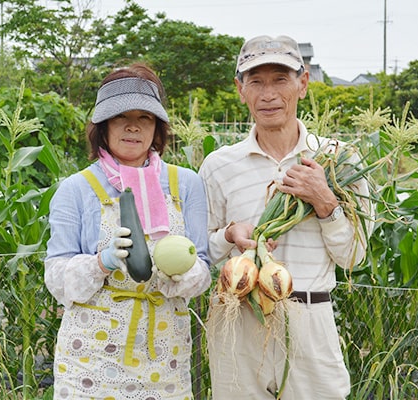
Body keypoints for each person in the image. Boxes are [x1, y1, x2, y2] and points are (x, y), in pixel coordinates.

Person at [199, 35, 373, 399]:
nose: (268, 94)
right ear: (240, 90)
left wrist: (324, 200)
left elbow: (354, 257)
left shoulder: (339, 160)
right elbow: (201, 253)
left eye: (280, 79)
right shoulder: (219, 166)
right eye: (256, 82)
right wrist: (230, 235)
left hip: (309, 318)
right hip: (238, 319)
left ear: (303, 83)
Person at [44, 63, 211, 400]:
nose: (133, 126)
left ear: (158, 128)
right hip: (90, 359)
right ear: (102, 126)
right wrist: (100, 263)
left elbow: (204, 266)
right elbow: (56, 278)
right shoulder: (76, 189)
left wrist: (182, 275)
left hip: (165, 356)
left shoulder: (187, 184)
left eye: (145, 118)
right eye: (121, 117)